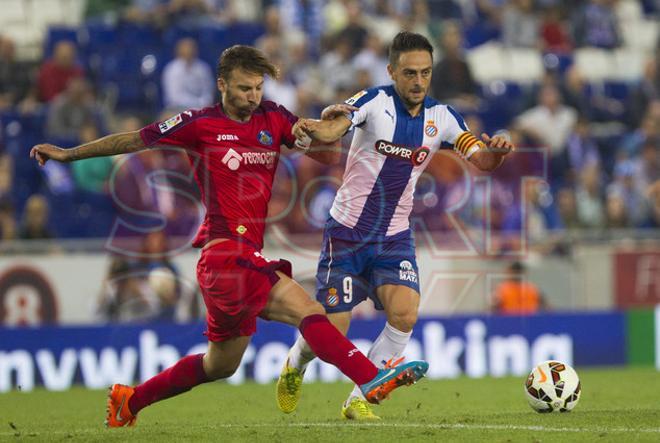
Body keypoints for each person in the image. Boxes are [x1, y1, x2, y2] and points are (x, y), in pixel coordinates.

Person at [30, 44, 429, 428]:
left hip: (237, 260)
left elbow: (323, 151)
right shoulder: (199, 123)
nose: (253, 97)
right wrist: (68, 153)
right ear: (222, 84)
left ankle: (128, 401)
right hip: (225, 254)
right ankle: (369, 377)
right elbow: (134, 139)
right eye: (244, 88)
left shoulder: (272, 117)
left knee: (219, 365)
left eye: (258, 88)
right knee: (309, 313)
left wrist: (331, 123)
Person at [277, 32, 514, 420]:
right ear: (391, 71)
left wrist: (495, 157)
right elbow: (337, 127)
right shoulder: (374, 101)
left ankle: (358, 399)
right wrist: (319, 129)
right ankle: (295, 362)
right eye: (409, 73)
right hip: (347, 232)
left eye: (425, 73)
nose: (418, 81)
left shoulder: (444, 117)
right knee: (333, 330)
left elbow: (480, 159)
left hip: (394, 235)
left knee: (404, 313)